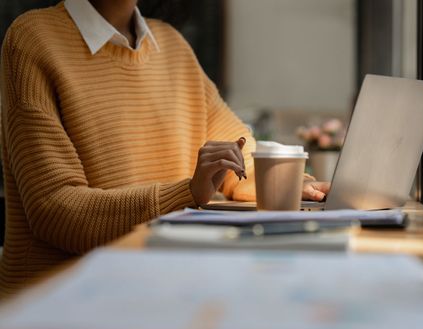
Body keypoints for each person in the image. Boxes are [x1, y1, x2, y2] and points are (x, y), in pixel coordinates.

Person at [0, 0, 330, 297]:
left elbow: (238, 161)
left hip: (158, 291)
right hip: (56, 307)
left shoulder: (171, 45)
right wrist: (187, 193)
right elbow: (55, 210)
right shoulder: (33, 39)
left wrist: (293, 182)